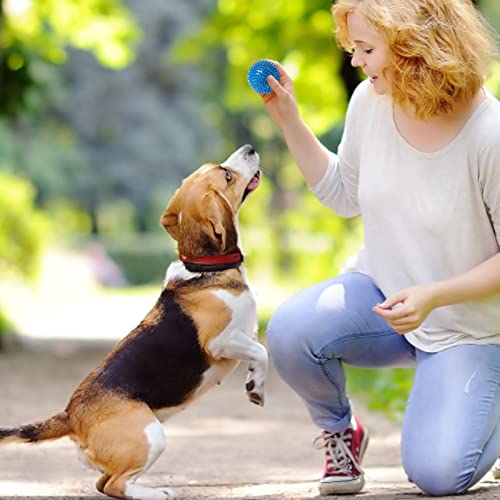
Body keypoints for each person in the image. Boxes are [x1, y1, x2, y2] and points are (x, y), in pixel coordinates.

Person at [260, 0, 500, 496]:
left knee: (438, 475)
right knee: (290, 331)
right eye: (353, 48)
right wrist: (288, 119)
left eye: (366, 49)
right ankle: (340, 433)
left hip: (472, 328)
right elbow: (343, 194)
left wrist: (435, 295)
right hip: (385, 298)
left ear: (415, 48)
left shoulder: (490, 135)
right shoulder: (371, 102)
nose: (355, 62)